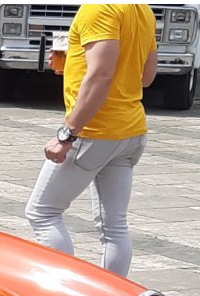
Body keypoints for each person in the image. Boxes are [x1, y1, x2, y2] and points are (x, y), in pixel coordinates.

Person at [24, 4, 158, 278]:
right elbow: (146, 77)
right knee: (114, 225)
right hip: (130, 131)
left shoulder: (98, 8)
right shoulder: (142, 10)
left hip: (95, 132)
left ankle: (63, 295)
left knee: (43, 213)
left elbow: (101, 75)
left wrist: (67, 134)